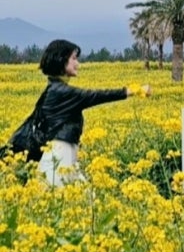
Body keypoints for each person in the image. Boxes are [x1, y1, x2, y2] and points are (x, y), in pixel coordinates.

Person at [35, 39, 151, 187]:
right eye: (74, 59)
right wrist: (135, 90)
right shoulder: (61, 92)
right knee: (68, 197)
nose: (78, 64)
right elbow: (96, 96)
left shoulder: (54, 89)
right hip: (60, 157)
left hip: (65, 153)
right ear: (61, 60)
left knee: (86, 198)